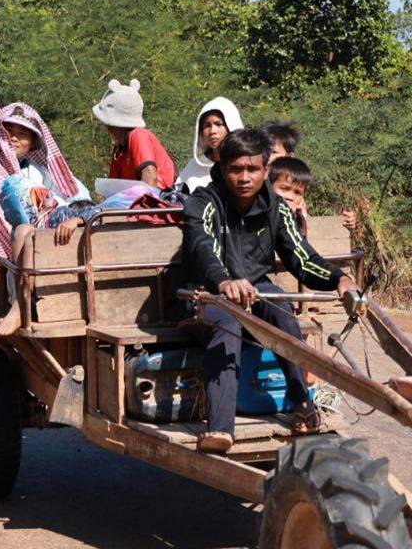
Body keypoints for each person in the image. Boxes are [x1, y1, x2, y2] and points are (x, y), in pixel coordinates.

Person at [180, 129, 358, 454]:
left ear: (266, 170)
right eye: (236, 169)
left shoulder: (275, 206)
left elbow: (301, 256)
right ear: (222, 169)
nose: (244, 177)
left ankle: (302, 403)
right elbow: (201, 245)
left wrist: (339, 279)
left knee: (282, 313)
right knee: (228, 323)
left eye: (252, 169)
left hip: (255, 288)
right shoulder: (203, 202)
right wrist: (223, 281)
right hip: (204, 294)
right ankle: (221, 428)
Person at [0, 103, 92, 335]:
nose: (13, 139)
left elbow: (79, 197)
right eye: (7, 132)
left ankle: (44, 296)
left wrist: (63, 211)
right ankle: (13, 298)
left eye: (22, 134)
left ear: (32, 142)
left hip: (41, 241)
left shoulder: (41, 172)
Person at [91, 78, 176, 189]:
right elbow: (114, 189)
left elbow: (150, 177)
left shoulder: (139, 135)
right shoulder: (119, 149)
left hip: (162, 201)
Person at [175, 97, 244, 193]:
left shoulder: (246, 162)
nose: (212, 131)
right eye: (207, 126)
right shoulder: (194, 167)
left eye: (218, 124)